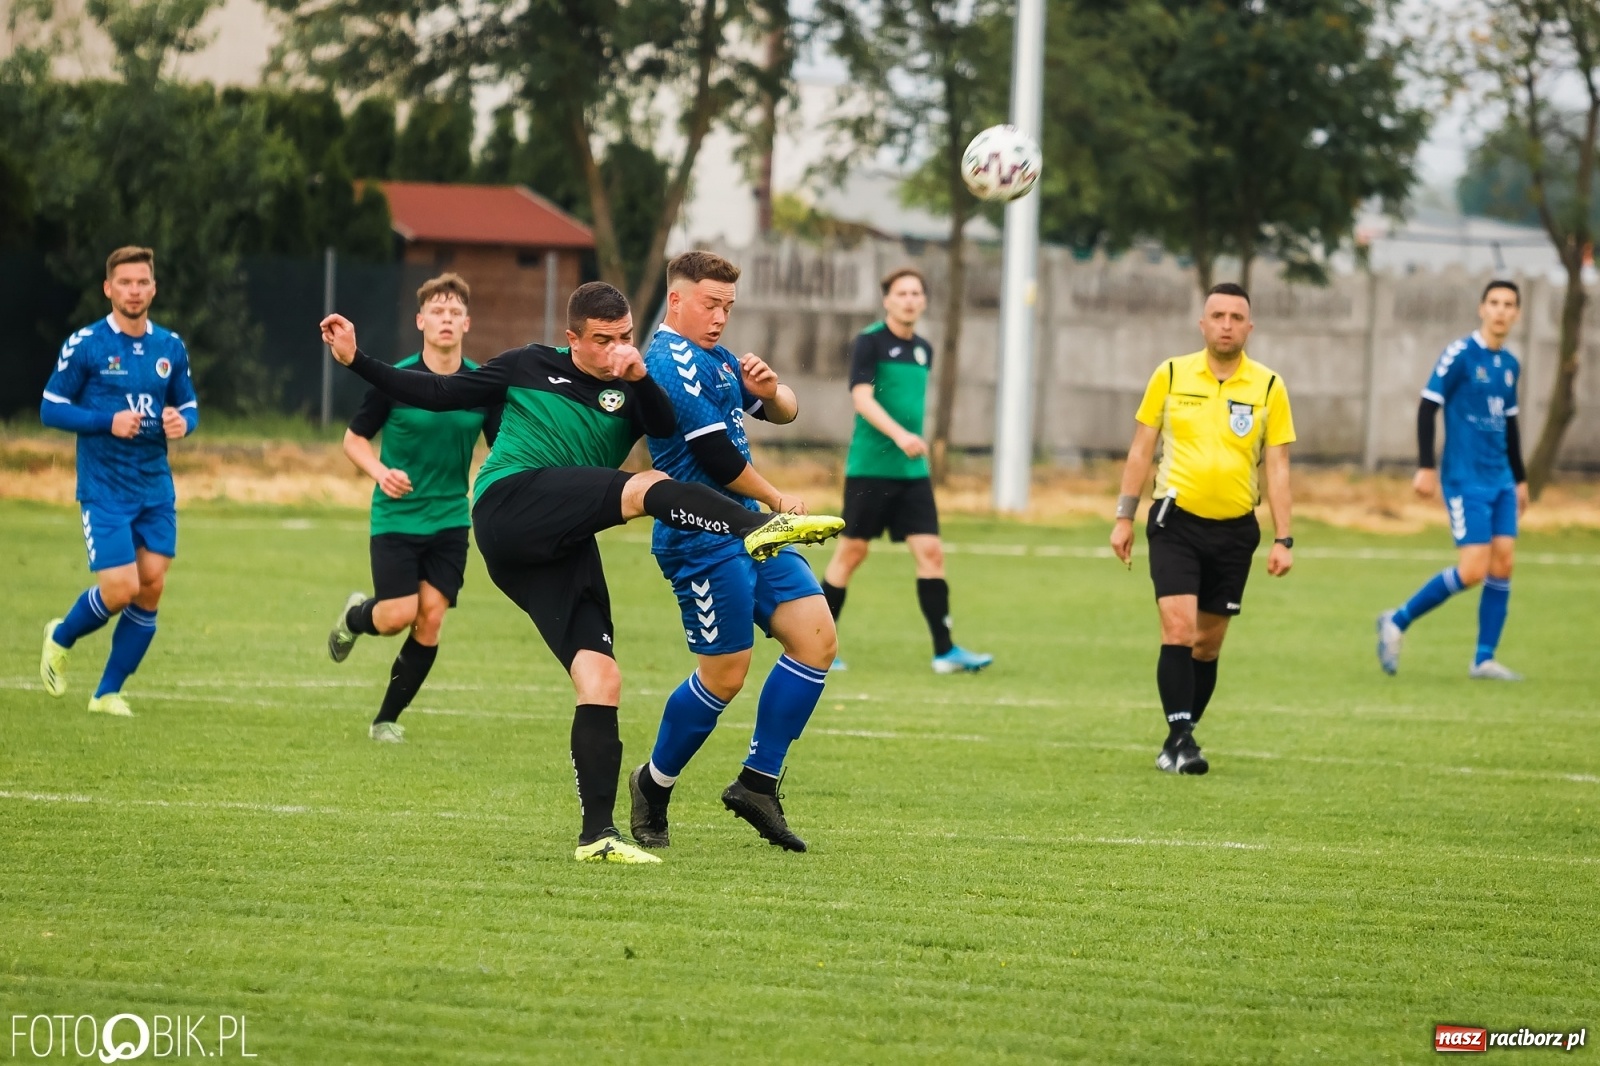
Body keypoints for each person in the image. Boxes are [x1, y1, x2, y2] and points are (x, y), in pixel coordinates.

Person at [319, 282, 843, 864]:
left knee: (601, 679)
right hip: (509, 506)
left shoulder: (637, 385)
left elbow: (666, 422)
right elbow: (439, 391)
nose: (615, 349)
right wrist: (356, 361)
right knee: (642, 489)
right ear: (572, 339)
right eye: (601, 340)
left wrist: (640, 374)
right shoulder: (527, 364)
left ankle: (598, 836)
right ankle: (753, 529)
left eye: (623, 337)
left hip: (560, 540)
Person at [628, 251, 836, 854]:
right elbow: (717, 459)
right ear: (676, 300)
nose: (720, 317)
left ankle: (757, 783)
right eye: (709, 304)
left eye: (728, 307)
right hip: (700, 534)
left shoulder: (716, 358)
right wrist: (776, 500)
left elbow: (784, 412)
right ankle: (653, 783)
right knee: (725, 675)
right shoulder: (667, 363)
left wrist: (772, 392)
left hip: (751, 528)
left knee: (817, 638)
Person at [1109, 282, 1295, 775]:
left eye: (1237, 317)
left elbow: (1276, 469)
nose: (1227, 324)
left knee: (1207, 645)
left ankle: (1177, 740)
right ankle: (1182, 740)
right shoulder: (1170, 374)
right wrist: (1124, 516)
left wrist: (1283, 537)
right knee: (1178, 628)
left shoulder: (1269, 387)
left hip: (1235, 531)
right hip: (1175, 522)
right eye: (1218, 315)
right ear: (1203, 323)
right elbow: (1140, 450)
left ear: (1249, 327)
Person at [326, 272, 502, 743]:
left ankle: (386, 719)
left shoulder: (482, 385)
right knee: (396, 615)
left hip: (449, 519)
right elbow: (353, 438)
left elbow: (503, 448)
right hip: (397, 516)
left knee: (432, 617)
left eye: (455, 313)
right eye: (437, 312)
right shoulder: (395, 379)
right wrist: (380, 473)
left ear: (467, 323)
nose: (446, 320)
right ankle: (354, 618)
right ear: (421, 320)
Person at [38, 246, 198, 718]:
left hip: (154, 487)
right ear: (108, 288)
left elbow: (189, 405)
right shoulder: (86, 343)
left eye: (142, 282)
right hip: (104, 487)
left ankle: (106, 692)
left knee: (151, 585)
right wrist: (107, 421)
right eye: (124, 283)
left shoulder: (170, 346)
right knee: (120, 588)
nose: (134, 290)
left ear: (153, 288)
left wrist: (180, 423)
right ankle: (60, 636)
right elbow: (50, 407)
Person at [819, 267, 993, 674]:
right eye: (902, 293)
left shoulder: (924, 350)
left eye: (917, 293)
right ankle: (818, 645)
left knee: (931, 553)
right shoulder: (869, 342)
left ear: (924, 301)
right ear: (887, 300)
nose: (910, 299)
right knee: (852, 553)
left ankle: (945, 651)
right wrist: (900, 435)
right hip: (870, 468)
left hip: (912, 473)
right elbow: (862, 399)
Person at [1377, 281, 1528, 680]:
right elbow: (1428, 406)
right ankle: (1397, 620)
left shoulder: (1510, 365)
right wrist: (1426, 465)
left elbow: (1510, 426)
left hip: (1502, 480)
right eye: (1494, 303)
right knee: (1474, 568)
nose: (1500, 310)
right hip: (1465, 479)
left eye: (1508, 305)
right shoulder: (1460, 354)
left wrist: (1521, 479)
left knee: (1504, 563)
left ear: (1517, 314)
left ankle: (1483, 659)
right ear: (1481, 308)